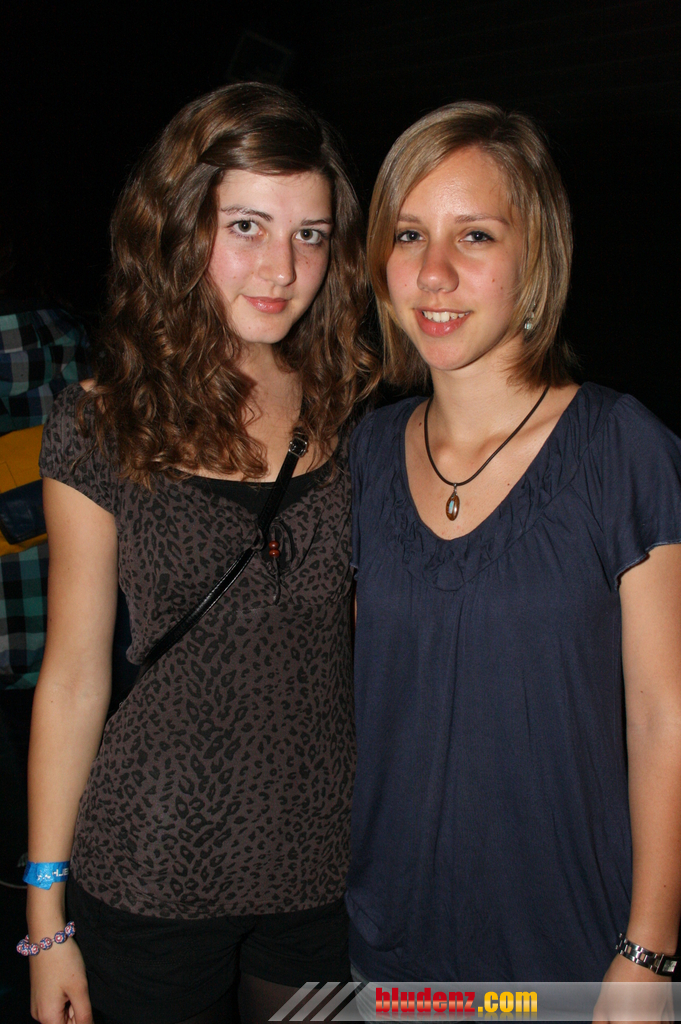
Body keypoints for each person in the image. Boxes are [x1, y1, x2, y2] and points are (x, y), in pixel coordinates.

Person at [24, 83, 378, 1024]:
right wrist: (46, 917)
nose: (281, 268)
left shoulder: (354, 410)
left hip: (323, 863)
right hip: (150, 865)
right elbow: (73, 678)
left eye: (310, 234)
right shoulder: (100, 424)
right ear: (181, 230)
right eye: (247, 226)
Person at [347, 101, 681, 1009]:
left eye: (476, 235)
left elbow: (665, 718)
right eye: (408, 234)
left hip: (570, 962)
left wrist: (649, 953)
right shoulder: (363, 455)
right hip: (390, 953)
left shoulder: (621, 448)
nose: (434, 271)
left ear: (535, 258)